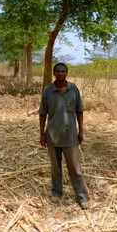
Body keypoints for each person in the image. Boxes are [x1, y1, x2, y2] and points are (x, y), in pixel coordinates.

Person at [39, 62, 89, 209]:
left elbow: (79, 111)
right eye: (58, 71)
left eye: (63, 71)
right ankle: (56, 192)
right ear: (54, 73)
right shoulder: (48, 91)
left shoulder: (73, 89)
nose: (61, 73)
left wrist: (81, 131)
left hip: (70, 136)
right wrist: (42, 133)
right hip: (53, 136)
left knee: (75, 169)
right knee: (56, 168)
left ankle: (82, 196)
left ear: (66, 73)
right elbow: (42, 114)